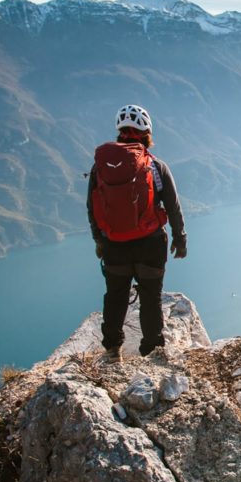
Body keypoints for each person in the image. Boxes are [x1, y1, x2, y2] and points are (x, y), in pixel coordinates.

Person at [87, 104, 187, 359]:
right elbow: (173, 206)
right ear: (147, 133)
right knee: (150, 297)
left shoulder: (100, 168)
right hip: (150, 244)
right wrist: (180, 239)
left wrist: (100, 240)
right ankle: (152, 350)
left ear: (119, 132)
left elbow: (92, 206)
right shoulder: (155, 166)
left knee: (116, 296)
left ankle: (112, 348)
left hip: (114, 245)